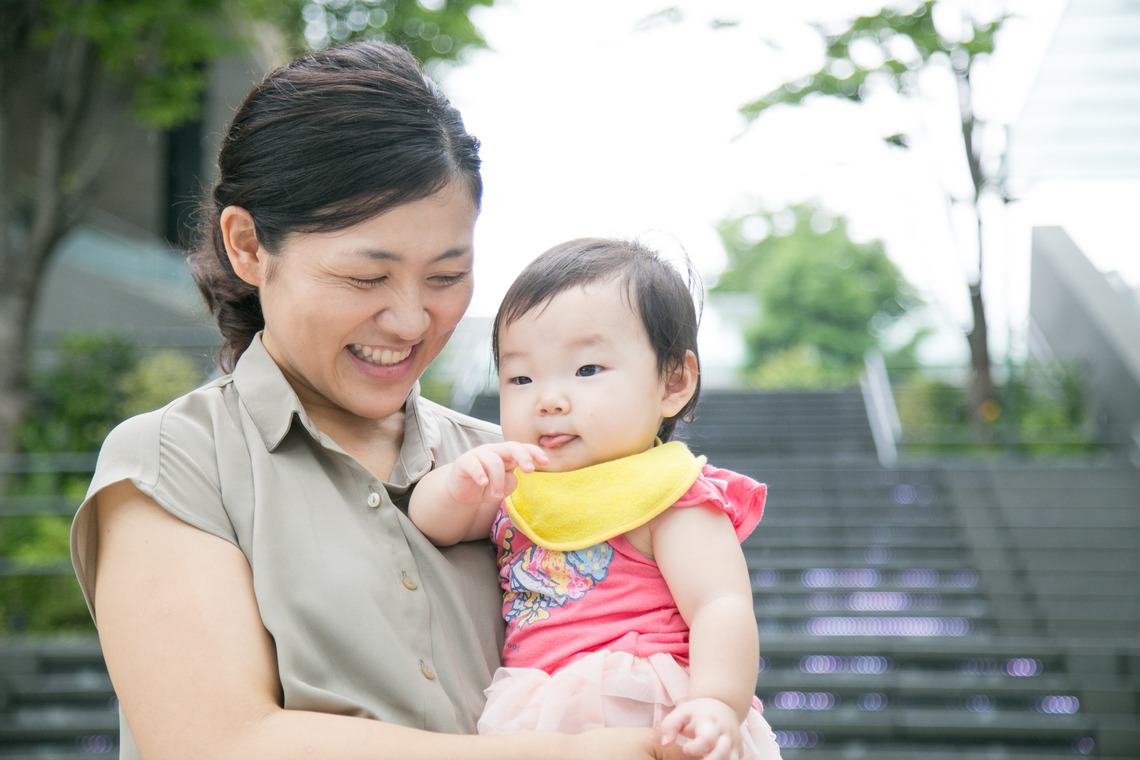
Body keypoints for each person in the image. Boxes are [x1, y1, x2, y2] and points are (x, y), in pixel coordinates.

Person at [69, 42, 689, 760]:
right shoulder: (176, 461)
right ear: (247, 246)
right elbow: (217, 742)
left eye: (447, 275)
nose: (411, 321)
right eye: (367, 279)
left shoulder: (515, 467)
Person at [408, 238, 784, 760]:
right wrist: (457, 485)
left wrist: (719, 701)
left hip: (646, 700)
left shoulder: (669, 496)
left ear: (674, 383)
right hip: (538, 710)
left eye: (586, 370)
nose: (549, 399)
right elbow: (433, 524)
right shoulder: (520, 482)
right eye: (521, 377)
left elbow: (720, 605)